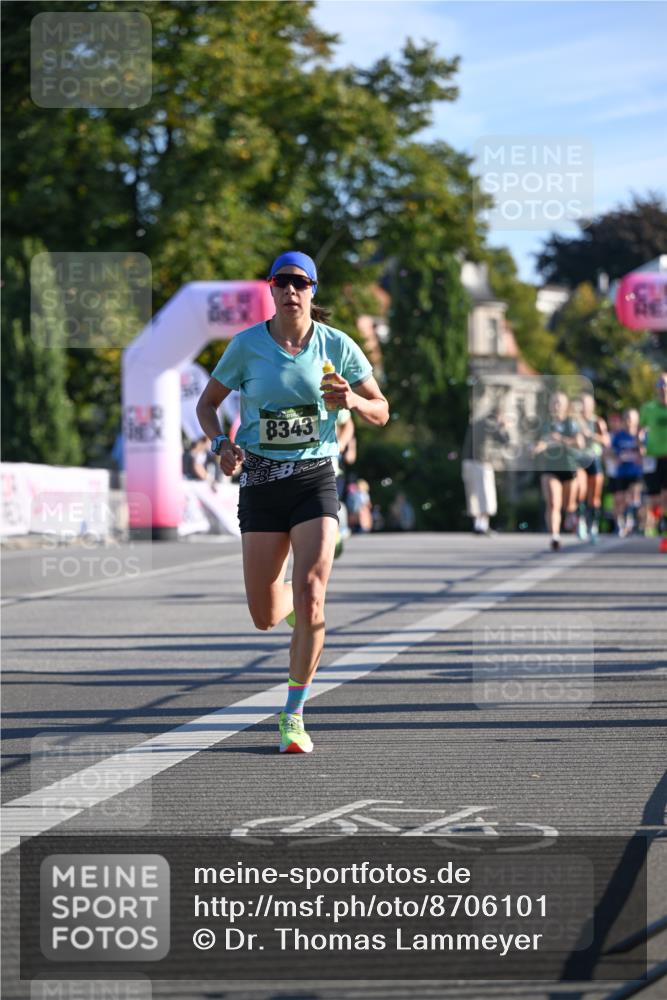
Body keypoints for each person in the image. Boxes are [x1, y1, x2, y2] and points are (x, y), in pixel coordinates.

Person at [196, 251, 389, 753]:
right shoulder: (245, 347)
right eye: (282, 282)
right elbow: (207, 404)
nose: (290, 290)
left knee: (311, 595)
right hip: (260, 479)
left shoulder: (337, 345)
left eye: (300, 283)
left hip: (314, 477)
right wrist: (221, 445)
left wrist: (353, 401)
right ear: (271, 288)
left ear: (313, 291)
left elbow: (382, 411)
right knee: (264, 614)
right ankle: (289, 594)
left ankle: (293, 713)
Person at [533, 391, 585, 551]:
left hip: (569, 468)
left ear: (565, 406)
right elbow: (539, 443)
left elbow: (580, 443)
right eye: (553, 402)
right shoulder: (545, 424)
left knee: (569, 505)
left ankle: (573, 517)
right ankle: (555, 536)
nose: (556, 405)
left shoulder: (571, 423)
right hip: (551, 469)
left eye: (559, 402)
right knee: (553, 503)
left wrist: (561, 439)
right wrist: (536, 448)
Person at [461, 407, 509, 535]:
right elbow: (504, 440)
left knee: (472, 494)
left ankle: (477, 524)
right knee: (486, 494)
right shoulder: (491, 424)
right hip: (481, 462)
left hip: (467, 461)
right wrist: (503, 427)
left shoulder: (475, 423)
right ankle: (483, 524)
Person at [639, 373, 667, 550]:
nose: (663, 387)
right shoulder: (648, 408)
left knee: (666, 498)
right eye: (660, 384)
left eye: (666, 384)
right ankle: (657, 517)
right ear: (656, 388)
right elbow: (640, 430)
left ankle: (664, 534)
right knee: (654, 499)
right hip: (653, 458)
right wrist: (639, 445)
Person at [578, 393, 609, 542]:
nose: (583, 407)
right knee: (581, 490)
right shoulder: (574, 421)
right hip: (579, 459)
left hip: (594, 458)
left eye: (586, 404)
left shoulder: (597, 422)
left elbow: (606, 440)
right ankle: (581, 521)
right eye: (581, 403)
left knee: (594, 496)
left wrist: (591, 435)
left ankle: (593, 526)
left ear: (592, 406)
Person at [609, 409, 643, 537]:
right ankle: (620, 523)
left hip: (635, 472)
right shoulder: (619, 436)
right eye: (627, 418)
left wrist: (640, 453)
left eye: (632, 418)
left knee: (633, 497)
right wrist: (616, 457)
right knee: (620, 499)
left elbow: (644, 451)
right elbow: (611, 451)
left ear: (636, 420)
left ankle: (633, 522)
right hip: (621, 472)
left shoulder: (639, 436)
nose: (629, 421)